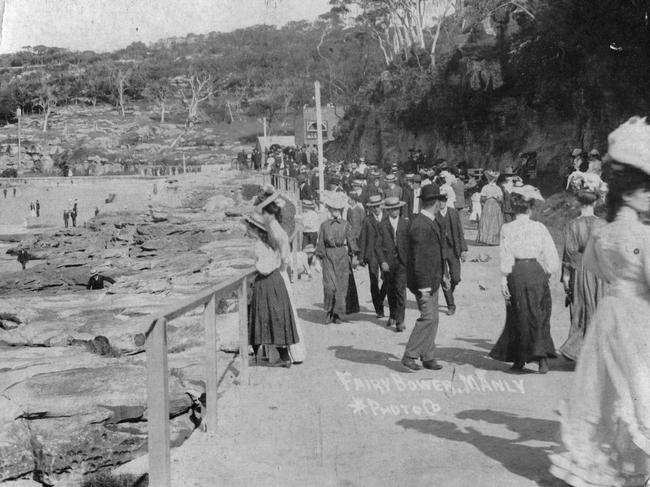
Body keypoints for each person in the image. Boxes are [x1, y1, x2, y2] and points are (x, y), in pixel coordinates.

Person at [549, 117, 650, 487]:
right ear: (633, 190)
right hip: (638, 316)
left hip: (610, 314)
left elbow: (592, 270)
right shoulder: (642, 234)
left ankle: (595, 463)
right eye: (647, 188)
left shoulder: (604, 234)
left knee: (604, 391)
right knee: (637, 390)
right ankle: (633, 468)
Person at [489, 184, 559, 373]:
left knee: (518, 314)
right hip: (536, 271)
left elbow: (505, 255)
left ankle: (520, 359)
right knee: (539, 314)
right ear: (530, 208)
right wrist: (549, 273)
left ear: (514, 208)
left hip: (517, 272)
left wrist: (503, 278)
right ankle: (542, 359)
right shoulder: (539, 227)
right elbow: (550, 253)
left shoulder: (507, 228)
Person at [558, 173, 608, 361]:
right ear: (596, 203)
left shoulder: (572, 225)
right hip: (600, 273)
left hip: (580, 271)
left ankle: (578, 350)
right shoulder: (603, 224)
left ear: (579, 203)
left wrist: (566, 279)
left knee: (580, 308)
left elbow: (569, 254)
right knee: (598, 307)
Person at [255, 188, 306, 364]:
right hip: (280, 272)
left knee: (277, 313)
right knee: (284, 312)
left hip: (277, 273)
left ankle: (281, 354)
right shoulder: (275, 228)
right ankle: (289, 353)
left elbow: (282, 257)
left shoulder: (272, 230)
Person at [401, 184, 447, 372]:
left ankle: (428, 356)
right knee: (427, 317)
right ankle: (410, 354)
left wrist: (442, 275)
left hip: (433, 279)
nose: (442, 204)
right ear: (436, 203)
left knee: (434, 318)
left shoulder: (431, 221)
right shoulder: (420, 225)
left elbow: (434, 254)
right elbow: (419, 260)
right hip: (425, 282)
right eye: (441, 201)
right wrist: (424, 287)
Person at [244, 213, 298, 369]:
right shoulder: (272, 242)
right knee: (275, 316)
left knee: (262, 315)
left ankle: (256, 355)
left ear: (254, 229)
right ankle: (283, 356)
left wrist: (254, 267)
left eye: (248, 226)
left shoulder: (259, 245)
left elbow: (264, 268)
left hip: (266, 282)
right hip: (275, 280)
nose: (246, 229)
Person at [315, 192, 359, 324]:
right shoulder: (324, 225)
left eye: (337, 209)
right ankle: (328, 311)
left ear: (340, 210)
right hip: (328, 256)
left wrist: (355, 256)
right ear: (329, 209)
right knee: (329, 287)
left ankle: (337, 314)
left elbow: (351, 241)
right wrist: (318, 260)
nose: (335, 211)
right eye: (333, 209)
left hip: (342, 257)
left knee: (341, 288)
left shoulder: (346, 225)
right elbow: (321, 242)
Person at [377, 197, 409, 332]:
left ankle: (400, 321)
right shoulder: (382, 225)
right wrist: (383, 261)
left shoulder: (405, 223)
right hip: (388, 263)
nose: (395, 211)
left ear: (399, 208)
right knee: (390, 290)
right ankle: (393, 315)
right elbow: (377, 246)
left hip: (402, 262)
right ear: (388, 210)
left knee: (400, 290)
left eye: (397, 208)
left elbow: (410, 243)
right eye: (392, 209)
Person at [436, 193, 468, 316]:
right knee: (445, 280)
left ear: (446, 201)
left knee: (456, 277)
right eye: (439, 201)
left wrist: (463, 249)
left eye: (444, 201)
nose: (442, 203)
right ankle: (451, 305)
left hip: (453, 249)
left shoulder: (453, 213)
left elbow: (460, 231)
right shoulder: (434, 215)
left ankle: (449, 292)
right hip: (440, 251)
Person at [359, 195, 388, 318]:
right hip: (372, 255)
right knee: (373, 280)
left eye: (378, 206)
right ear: (371, 208)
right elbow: (363, 238)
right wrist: (361, 256)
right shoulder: (367, 220)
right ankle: (379, 309)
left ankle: (381, 297)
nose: (376, 209)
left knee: (387, 279)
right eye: (374, 207)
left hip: (385, 254)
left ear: (381, 205)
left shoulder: (387, 218)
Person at [477, 170, 504, 245]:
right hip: (495, 204)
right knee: (495, 221)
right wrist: (496, 198)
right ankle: (494, 240)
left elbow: (482, 198)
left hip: (488, 204)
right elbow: (500, 199)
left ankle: (486, 239)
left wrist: (486, 200)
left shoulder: (485, 187)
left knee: (487, 221)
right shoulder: (498, 188)